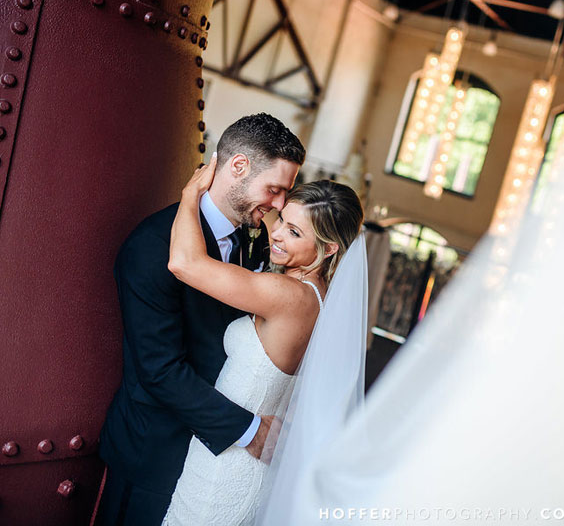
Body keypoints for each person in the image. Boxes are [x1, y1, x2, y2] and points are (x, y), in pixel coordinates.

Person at [96, 114, 304, 526]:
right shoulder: (152, 246)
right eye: (274, 190)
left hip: (210, 458)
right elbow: (159, 370)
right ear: (238, 167)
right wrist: (248, 429)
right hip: (154, 454)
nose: (279, 205)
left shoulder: (254, 237)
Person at [162, 156, 366, 525]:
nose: (276, 234)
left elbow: (184, 263)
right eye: (283, 221)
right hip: (240, 459)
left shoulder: (287, 295)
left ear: (330, 248)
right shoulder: (318, 297)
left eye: (295, 233)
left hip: (225, 471)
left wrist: (190, 194)